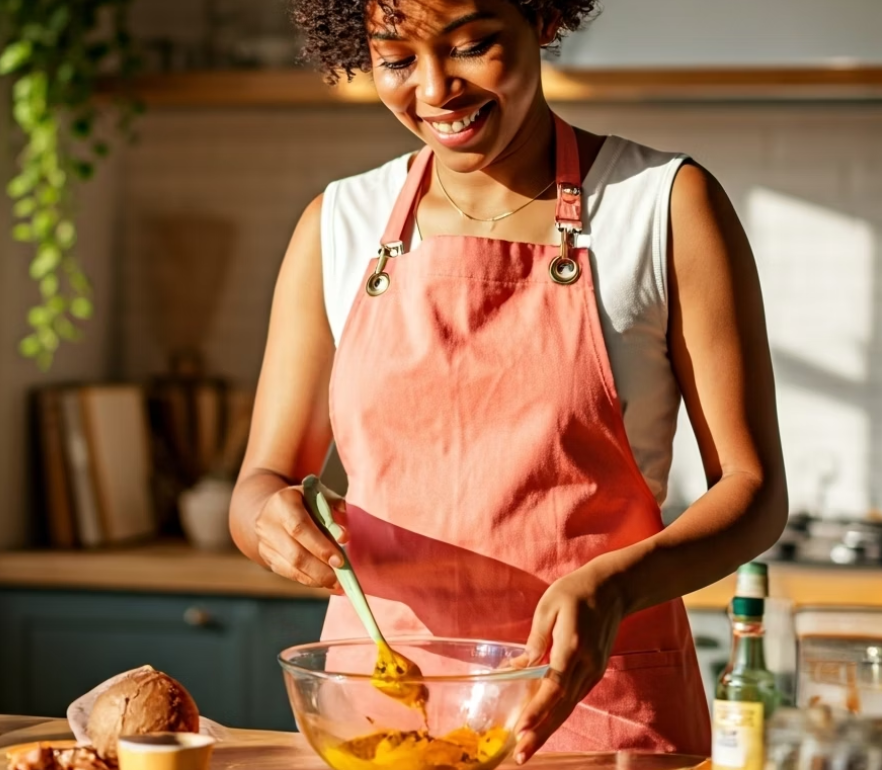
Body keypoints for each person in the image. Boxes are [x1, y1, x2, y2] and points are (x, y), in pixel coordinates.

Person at [230, 0, 788, 761]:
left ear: (543, 22)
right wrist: (268, 518)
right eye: (397, 61)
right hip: (380, 710)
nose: (434, 90)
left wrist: (617, 587)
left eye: (472, 47)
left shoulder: (661, 205)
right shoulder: (338, 224)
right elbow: (260, 481)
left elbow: (752, 492)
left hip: (597, 702)